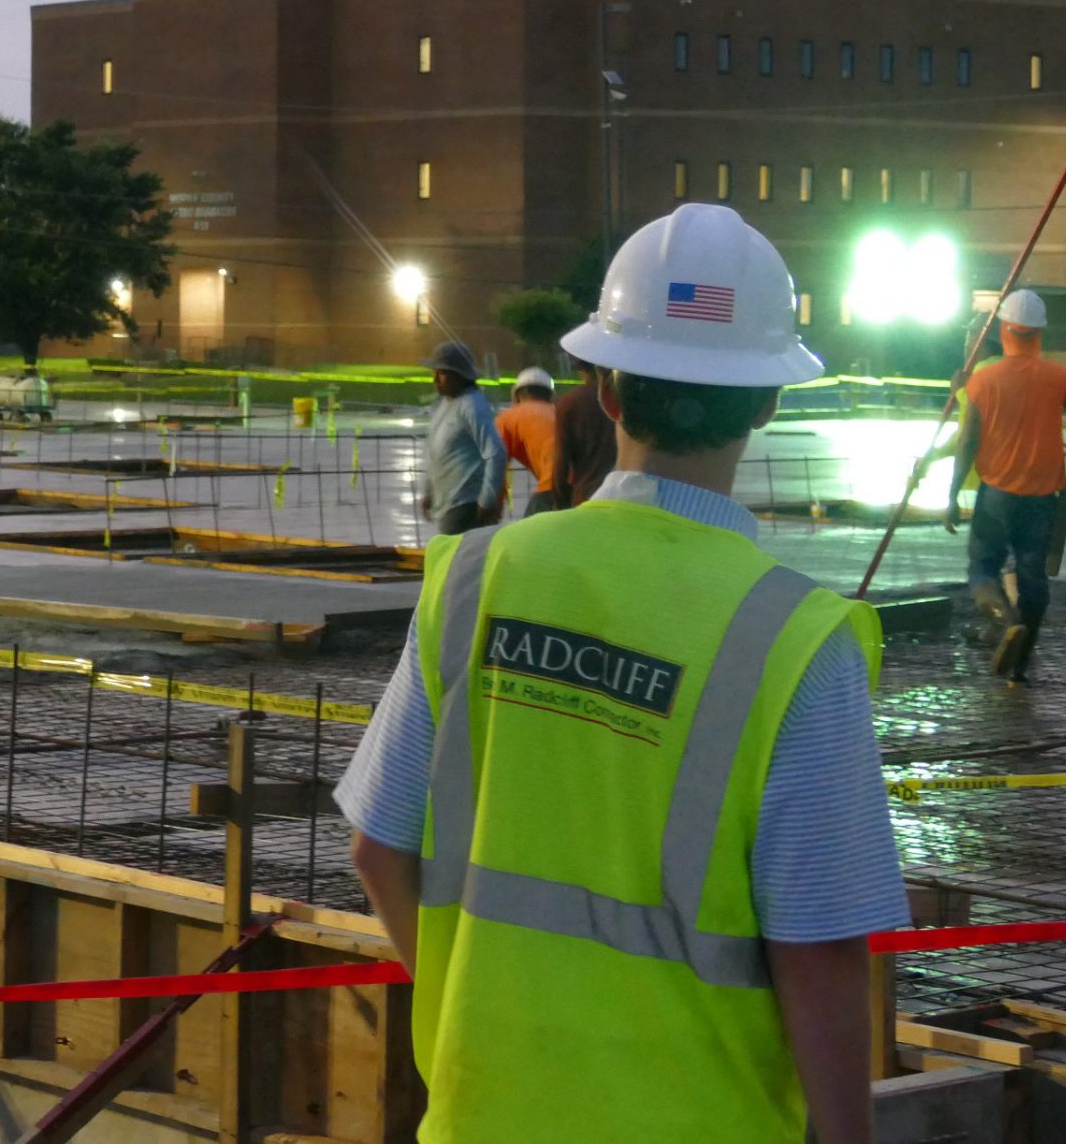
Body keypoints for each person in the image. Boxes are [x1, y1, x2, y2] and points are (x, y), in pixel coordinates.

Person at [338, 203, 906, 1144]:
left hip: (486, 1114)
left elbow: (376, 849)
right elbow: (822, 952)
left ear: (604, 390)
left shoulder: (479, 576)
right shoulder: (798, 638)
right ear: (769, 400)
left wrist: (468, 1014)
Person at [936, 288, 1066, 686]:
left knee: (982, 570)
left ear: (1005, 330)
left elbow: (967, 443)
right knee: (1033, 581)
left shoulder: (982, 380)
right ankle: (1019, 670)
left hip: (996, 497)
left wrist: (953, 494)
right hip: (1043, 500)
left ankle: (1004, 621)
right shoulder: (1059, 378)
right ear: (1039, 333)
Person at [421, 339, 504, 536]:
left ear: (459, 376)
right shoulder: (443, 404)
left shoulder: (472, 405)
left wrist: (486, 500)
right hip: (447, 502)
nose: (435, 379)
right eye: (435, 372)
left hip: (466, 504)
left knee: (456, 562)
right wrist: (429, 491)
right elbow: (434, 450)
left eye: (442, 373)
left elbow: (495, 453)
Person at [543, 356, 618, 510]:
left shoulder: (570, 403)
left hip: (586, 495)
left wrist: (560, 503)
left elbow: (561, 461)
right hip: (621, 494)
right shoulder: (623, 399)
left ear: (579, 368)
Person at [492, 366, 558, 514]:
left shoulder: (507, 418)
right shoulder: (560, 412)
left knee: (528, 534)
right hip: (585, 488)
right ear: (550, 396)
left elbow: (496, 464)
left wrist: (494, 506)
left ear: (516, 397)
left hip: (552, 487)